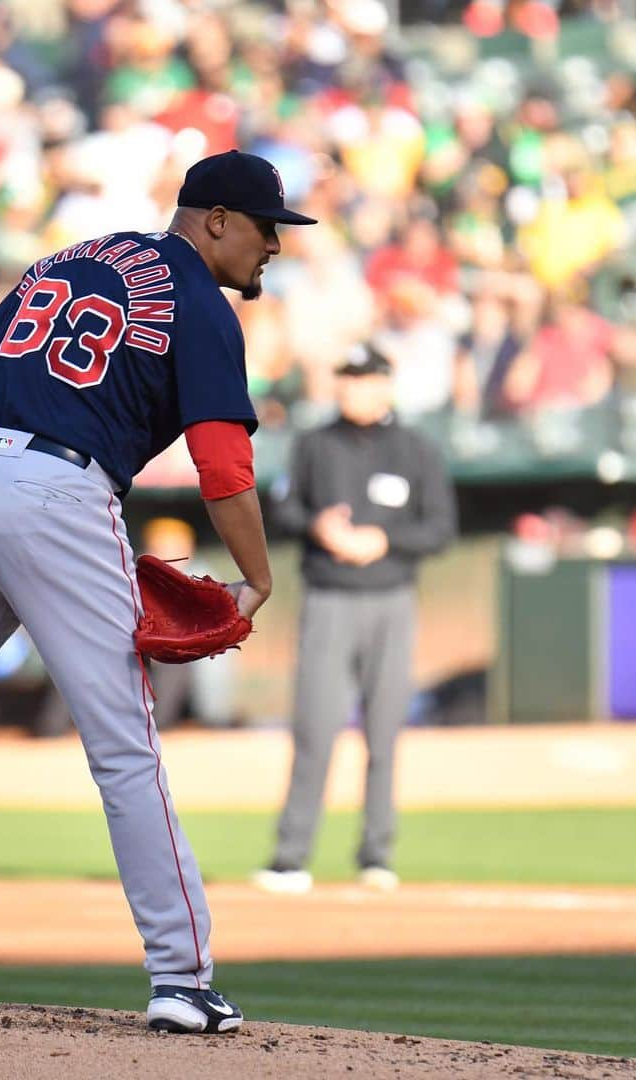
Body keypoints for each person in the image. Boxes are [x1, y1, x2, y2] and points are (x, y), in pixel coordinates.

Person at [0, 150, 316, 1033]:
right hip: (59, 494)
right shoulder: (201, 305)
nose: (275, 246)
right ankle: (182, 980)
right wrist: (259, 577)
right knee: (124, 746)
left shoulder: (73, 259)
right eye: (267, 227)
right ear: (215, 219)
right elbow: (223, 464)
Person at [254, 342, 456, 895]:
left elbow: (440, 527)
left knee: (385, 733)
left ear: (385, 384)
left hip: (391, 598)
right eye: (345, 378)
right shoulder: (316, 444)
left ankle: (377, 853)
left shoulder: (416, 449)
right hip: (329, 598)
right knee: (315, 730)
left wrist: (382, 538)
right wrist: (320, 526)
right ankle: (290, 857)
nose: (352, 388)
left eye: (362, 378)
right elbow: (283, 508)